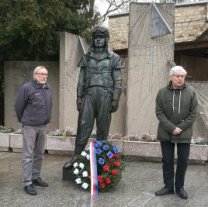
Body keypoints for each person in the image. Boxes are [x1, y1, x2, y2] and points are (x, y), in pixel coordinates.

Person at [64, 26, 122, 169]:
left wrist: (115, 99)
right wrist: (78, 97)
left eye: (101, 38)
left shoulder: (114, 58)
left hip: (105, 96)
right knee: (83, 126)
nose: (98, 40)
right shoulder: (86, 57)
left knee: (103, 129)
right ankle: (76, 157)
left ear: (106, 39)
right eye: (96, 38)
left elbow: (118, 81)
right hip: (88, 96)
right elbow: (81, 80)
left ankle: (101, 160)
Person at [155, 66, 198, 199]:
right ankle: (168, 187)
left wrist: (180, 127)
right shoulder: (162, 92)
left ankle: (180, 187)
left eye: (182, 76)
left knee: (183, 161)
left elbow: (193, 114)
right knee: (167, 161)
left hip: (184, 133)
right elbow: (159, 112)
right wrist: (171, 128)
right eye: (177, 76)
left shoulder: (191, 92)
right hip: (166, 132)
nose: (180, 79)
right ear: (171, 77)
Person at [15, 66, 52, 196]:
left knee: (39, 154)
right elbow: (19, 106)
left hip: (43, 126)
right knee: (27, 156)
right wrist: (25, 120)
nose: (44, 76)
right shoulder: (27, 88)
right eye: (41, 74)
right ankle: (27, 183)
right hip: (30, 126)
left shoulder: (47, 88)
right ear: (35, 75)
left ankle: (35, 177)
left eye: (46, 74)